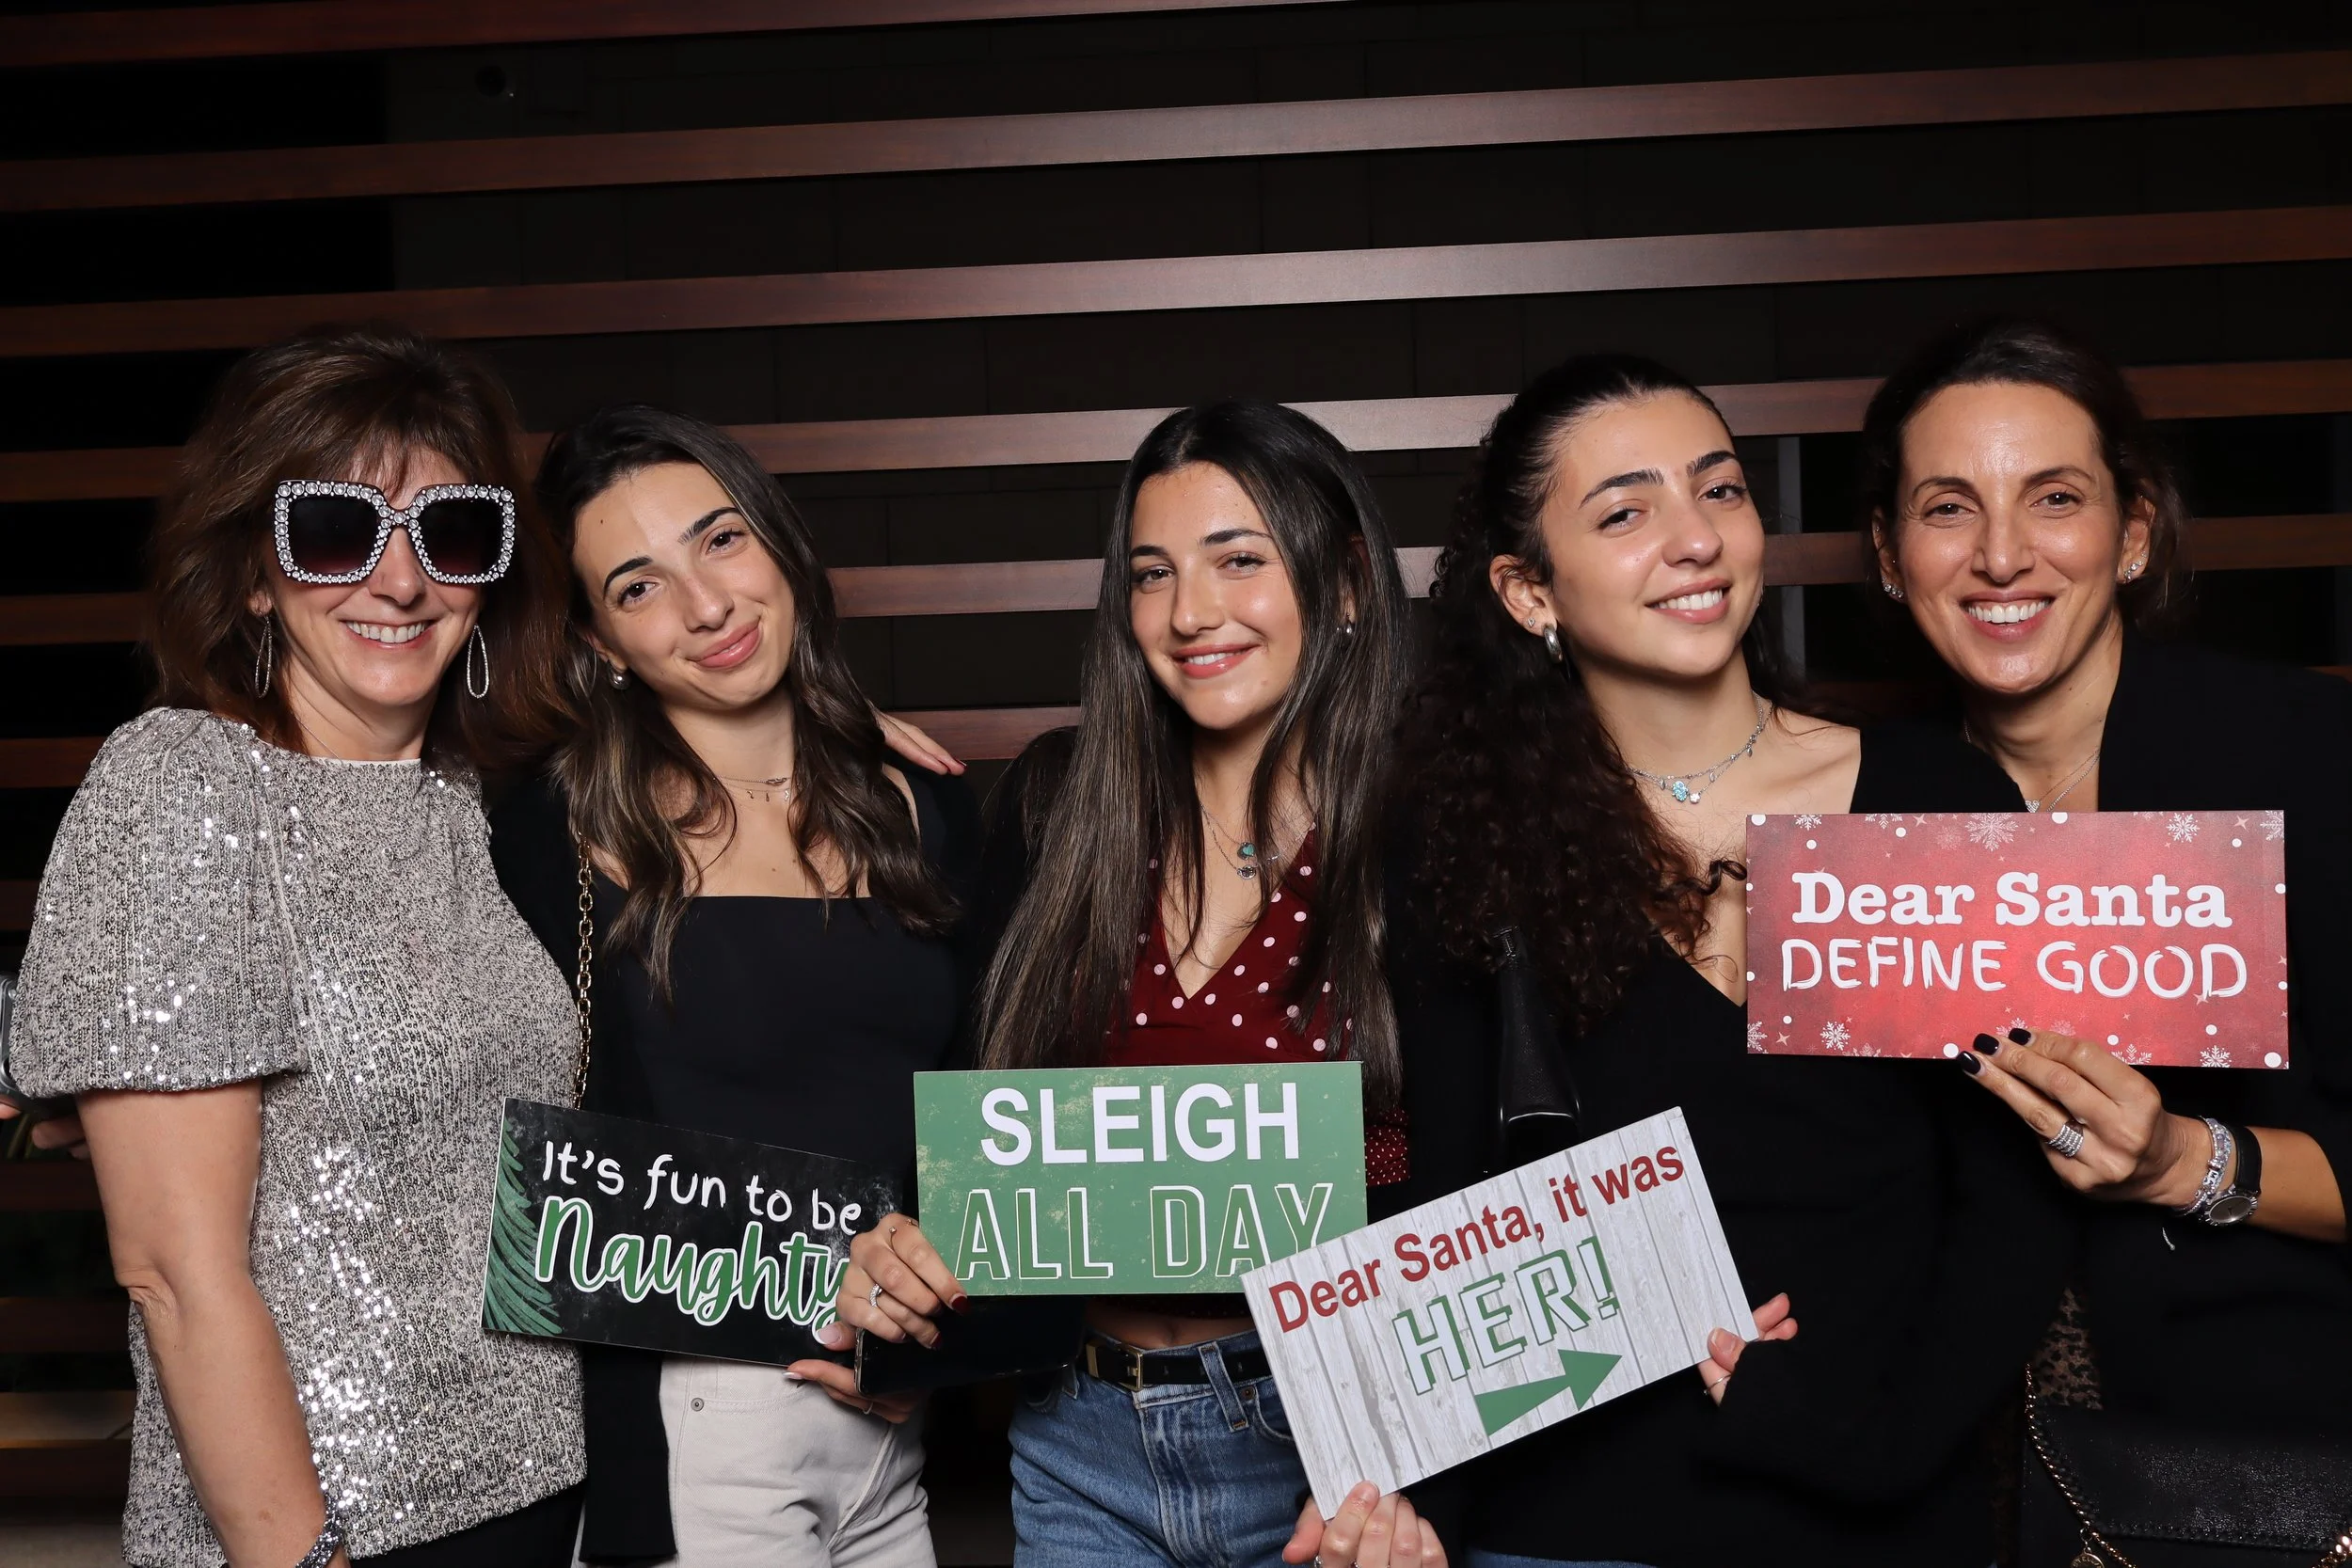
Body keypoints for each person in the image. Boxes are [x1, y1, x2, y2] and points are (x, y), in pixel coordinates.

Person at [1391, 354, 2070, 1566]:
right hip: (1577, 1525)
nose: (1695, 538)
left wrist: (1867, 1436)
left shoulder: (1926, 798)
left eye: (1719, 489)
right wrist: (1412, 1504)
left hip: (1883, 1509)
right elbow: (1450, 1205)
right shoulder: (1467, 846)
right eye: (1626, 512)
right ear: (1527, 589)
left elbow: (2012, 1194)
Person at [7, 325, 586, 1567]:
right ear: (257, 572)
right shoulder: (184, 783)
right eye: (337, 529)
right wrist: (301, 1555)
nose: (399, 579)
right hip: (321, 1530)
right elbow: (171, 1265)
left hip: (542, 1491)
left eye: (452, 532)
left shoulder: (476, 808)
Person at [826, 401, 1439, 1568]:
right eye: (1152, 574)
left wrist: (1426, 1466)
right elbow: (970, 1108)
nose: (1191, 612)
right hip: (1080, 1431)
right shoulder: (1060, 805)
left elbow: (1477, 1157)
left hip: (1335, 1447)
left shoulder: (1424, 834)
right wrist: (800, 725)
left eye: (1239, 561)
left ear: (1349, 580)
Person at [488, 404, 978, 1567]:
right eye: (638, 584)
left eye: (719, 541)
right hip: (696, 1419)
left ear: (776, 543)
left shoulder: (925, 805)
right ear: (602, 642)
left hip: (886, 1417)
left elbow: (982, 1108)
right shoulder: (551, 831)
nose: (706, 605)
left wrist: (933, 1349)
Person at [1867, 318, 2352, 1433]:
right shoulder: (1865, 816)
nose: (2000, 556)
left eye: (2053, 498)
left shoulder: (2311, 752)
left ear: (2132, 533)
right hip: (1952, 1455)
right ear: (1890, 559)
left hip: (2278, 1441)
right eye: (1947, 506)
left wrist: (2190, 1158)